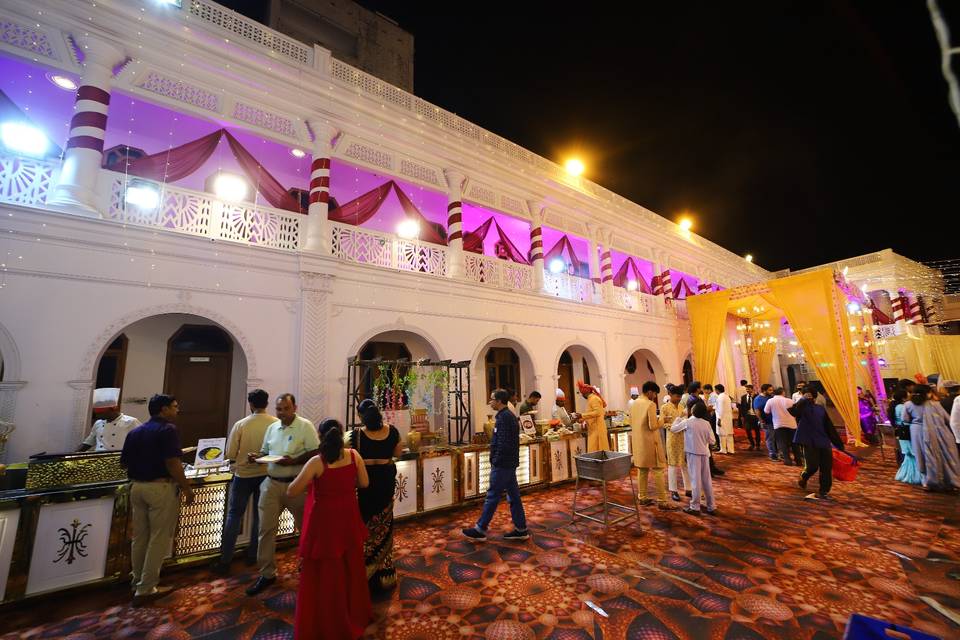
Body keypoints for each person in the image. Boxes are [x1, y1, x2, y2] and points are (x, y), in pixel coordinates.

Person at [288, 419, 371, 640]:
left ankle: (328, 617)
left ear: (319, 435)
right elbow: (364, 483)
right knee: (350, 566)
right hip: (348, 515)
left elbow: (291, 491)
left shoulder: (318, 462)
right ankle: (354, 613)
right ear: (342, 434)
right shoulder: (354, 455)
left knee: (326, 573)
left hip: (325, 521)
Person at [120, 394, 194, 606]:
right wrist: (186, 487)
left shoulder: (135, 432)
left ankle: (137, 582)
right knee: (159, 537)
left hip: (137, 487)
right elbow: (172, 462)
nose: (177, 410)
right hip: (159, 487)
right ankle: (147, 587)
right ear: (163, 409)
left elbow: (124, 463)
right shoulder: (167, 429)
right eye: (174, 406)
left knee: (140, 537)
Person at [246, 393, 320, 596]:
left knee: (306, 528)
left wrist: (294, 460)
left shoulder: (305, 426)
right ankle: (267, 573)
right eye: (279, 409)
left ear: (294, 407)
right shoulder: (272, 428)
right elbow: (265, 451)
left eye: (286, 409)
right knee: (266, 529)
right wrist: (257, 457)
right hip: (271, 484)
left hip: (296, 484)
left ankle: (311, 567)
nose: (282, 413)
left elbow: (315, 452)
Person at [212, 389, 274, 575]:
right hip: (265, 474)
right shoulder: (275, 424)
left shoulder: (241, 424)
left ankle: (225, 560)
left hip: (243, 475)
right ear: (267, 403)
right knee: (258, 515)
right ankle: (253, 554)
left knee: (234, 516)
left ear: (251, 404)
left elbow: (231, 452)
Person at [351, 399, 403, 592]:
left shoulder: (355, 435)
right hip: (385, 481)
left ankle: (365, 569)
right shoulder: (393, 432)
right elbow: (397, 453)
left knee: (365, 524)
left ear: (360, 416)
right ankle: (384, 571)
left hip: (365, 483)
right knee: (385, 523)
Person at [463, 389, 529, 541]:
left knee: (492, 495)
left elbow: (504, 444)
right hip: (508, 463)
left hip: (503, 464)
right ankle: (521, 528)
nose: (490, 402)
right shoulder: (506, 416)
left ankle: (480, 528)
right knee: (513, 496)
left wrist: (496, 460)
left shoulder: (504, 418)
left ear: (499, 401)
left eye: (492, 399)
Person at [904, 384, 960, 491]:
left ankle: (926, 482)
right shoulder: (935, 405)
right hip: (936, 432)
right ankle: (948, 480)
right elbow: (948, 419)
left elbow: (905, 419)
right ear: (928, 393)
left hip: (917, 431)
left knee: (921, 455)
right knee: (942, 454)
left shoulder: (908, 405)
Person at [792, 388, 844, 499]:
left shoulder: (820, 409)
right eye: (807, 395)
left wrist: (838, 443)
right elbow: (794, 412)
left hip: (823, 440)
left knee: (826, 467)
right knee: (812, 467)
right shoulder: (802, 408)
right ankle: (804, 477)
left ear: (815, 397)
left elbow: (828, 426)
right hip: (808, 441)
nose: (809, 398)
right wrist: (802, 399)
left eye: (811, 396)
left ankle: (824, 491)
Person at [630, 381, 671, 509]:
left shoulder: (633, 403)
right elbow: (653, 426)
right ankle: (662, 500)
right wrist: (663, 419)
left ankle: (642, 497)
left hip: (638, 442)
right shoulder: (650, 404)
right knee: (658, 470)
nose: (654, 396)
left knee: (642, 470)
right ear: (649, 392)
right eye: (654, 394)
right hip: (650, 442)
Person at [670, 401, 716, 516]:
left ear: (693, 411)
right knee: (706, 480)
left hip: (693, 454)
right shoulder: (706, 423)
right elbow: (712, 441)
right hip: (704, 454)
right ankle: (711, 506)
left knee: (695, 481)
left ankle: (695, 506)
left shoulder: (688, 422)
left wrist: (678, 418)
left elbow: (673, 429)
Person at [79, 387, 141, 451]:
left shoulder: (130, 422)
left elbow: (141, 442)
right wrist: (72, 455)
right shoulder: (98, 423)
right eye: (96, 413)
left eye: (101, 413)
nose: (98, 416)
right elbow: (88, 443)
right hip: (98, 458)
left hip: (119, 458)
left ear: (113, 409)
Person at [661, 386, 688, 502]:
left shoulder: (682, 406)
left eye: (680, 397)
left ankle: (689, 488)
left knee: (685, 463)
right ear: (670, 394)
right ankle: (673, 490)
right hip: (672, 438)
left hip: (683, 437)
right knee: (672, 464)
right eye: (677, 396)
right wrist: (672, 427)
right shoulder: (664, 407)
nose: (678, 399)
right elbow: (663, 423)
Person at [891, 390, 922, 485]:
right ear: (903, 397)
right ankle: (914, 476)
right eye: (907, 394)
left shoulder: (896, 406)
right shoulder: (902, 406)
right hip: (906, 431)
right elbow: (905, 420)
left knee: (909, 455)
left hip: (901, 432)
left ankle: (908, 475)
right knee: (912, 453)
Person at [766, 388, 801, 466]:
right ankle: (798, 460)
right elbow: (795, 411)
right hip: (791, 424)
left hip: (779, 424)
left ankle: (787, 460)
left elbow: (766, 411)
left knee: (782, 443)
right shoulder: (789, 400)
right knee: (794, 443)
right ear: (782, 392)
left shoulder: (770, 401)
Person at [578, 381, 609, 452]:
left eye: (582, 394)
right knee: (593, 450)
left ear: (585, 393)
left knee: (598, 450)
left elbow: (598, 412)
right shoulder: (591, 399)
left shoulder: (594, 399)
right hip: (593, 428)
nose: (582, 396)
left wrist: (582, 415)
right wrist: (582, 419)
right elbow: (591, 413)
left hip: (598, 428)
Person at [754, 384, 778, 461]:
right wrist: (761, 421)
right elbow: (757, 411)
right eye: (770, 390)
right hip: (767, 422)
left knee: (777, 438)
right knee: (770, 438)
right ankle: (772, 454)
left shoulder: (772, 397)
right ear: (764, 390)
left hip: (776, 421)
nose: (772, 391)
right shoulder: (758, 399)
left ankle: (778, 453)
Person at [740, 384, 761, 451]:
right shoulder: (743, 397)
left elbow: (759, 406)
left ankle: (758, 445)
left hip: (755, 416)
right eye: (746, 389)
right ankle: (752, 444)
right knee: (747, 430)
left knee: (757, 431)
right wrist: (742, 416)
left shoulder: (756, 396)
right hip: (747, 417)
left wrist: (753, 397)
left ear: (752, 389)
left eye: (748, 389)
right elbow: (742, 407)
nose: (747, 390)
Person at [715, 384, 735, 454]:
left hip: (722, 417)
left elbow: (721, 409)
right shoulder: (727, 396)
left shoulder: (720, 397)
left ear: (717, 390)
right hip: (728, 417)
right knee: (729, 434)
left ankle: (723, 449)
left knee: (722, 434)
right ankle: (731, 449)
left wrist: (719, 419)